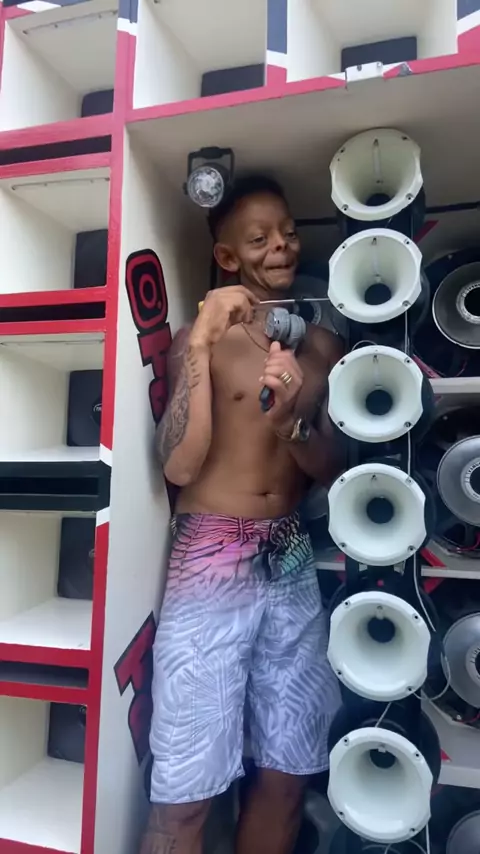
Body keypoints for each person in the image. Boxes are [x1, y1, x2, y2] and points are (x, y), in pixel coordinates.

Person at [140, 175, 343, 854]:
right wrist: (200, 344)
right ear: (227, 257)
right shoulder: (196, 342)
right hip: (211, 557)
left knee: (289, 772)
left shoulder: (321, 348)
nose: (280, 245)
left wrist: (290, 426)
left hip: (291, 553)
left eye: (287, 231)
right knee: (185, 789)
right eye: (259, 238)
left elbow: (334, 470)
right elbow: (179, 466)